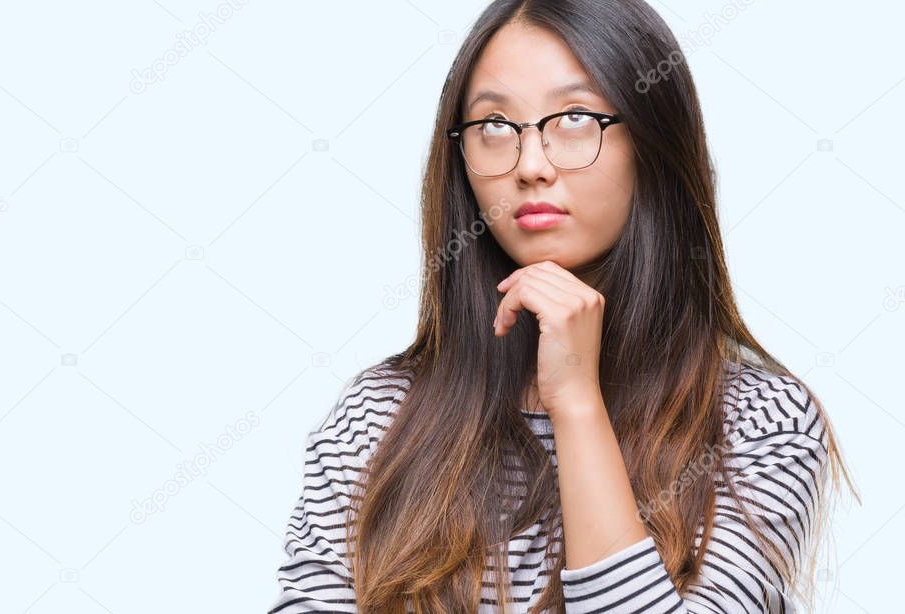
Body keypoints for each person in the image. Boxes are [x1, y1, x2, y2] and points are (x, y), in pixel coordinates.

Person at [268, 0, 858, 611]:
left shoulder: (758, 424)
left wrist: (576, 404)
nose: (530, 165)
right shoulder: (379, 417)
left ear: (654, 139)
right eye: (494, 126)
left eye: (574, 117)